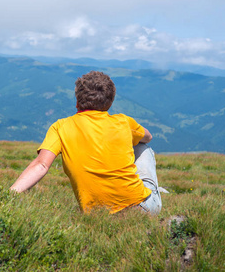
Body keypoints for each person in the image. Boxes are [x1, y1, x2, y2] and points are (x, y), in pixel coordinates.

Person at [10, 71, 161, 214]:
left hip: (96, 214)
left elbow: (41, 165)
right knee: (144, 147)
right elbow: (148, 137)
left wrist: (10, 194)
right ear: (110, 103)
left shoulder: (60, 127)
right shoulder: (124, 122)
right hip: (142, 208)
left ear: (77, 102)